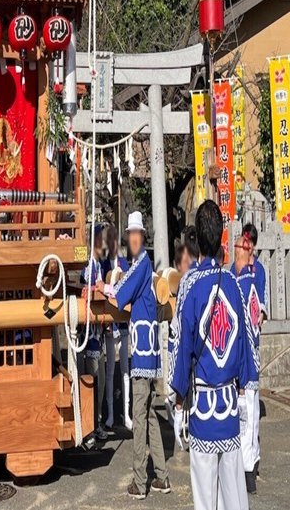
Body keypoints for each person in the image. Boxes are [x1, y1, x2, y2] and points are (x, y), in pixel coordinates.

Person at [170, 201, 257, 510]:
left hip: (203, 408)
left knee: (206, 499)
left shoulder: (189, 285)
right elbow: (246, 342)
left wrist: (178, 399)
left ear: (197, 243)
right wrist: (245, 390)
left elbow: (181, 346)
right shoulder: (233, 283)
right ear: (222, 238)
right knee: (235, 496)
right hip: (230, 406)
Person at [107, 211, 170, 500]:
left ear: (141, 237)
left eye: (136, 234)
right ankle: (162, 476)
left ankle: (139, 480)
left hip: (143, 350)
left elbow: (121, 292)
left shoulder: (141, 264)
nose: (133, 238)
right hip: (148, 347)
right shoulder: (140, 264)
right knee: (150, 415)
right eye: (130, 234)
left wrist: (105, 287)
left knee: (139, 413)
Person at [231, 223, 267, 494]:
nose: (247, 246)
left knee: (251, 409)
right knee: (238, 407)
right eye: (244, 242)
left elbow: (259, 304)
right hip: (234, 347)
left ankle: (250, 465)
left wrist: (260, 315)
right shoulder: (232, 272)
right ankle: (238, 461)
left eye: (250, 243)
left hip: (251, 346)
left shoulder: (258, 272)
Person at [165, 226, 199, 426]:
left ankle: (182, 416)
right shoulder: (182, 279)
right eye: (183, 262)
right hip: (181, 339)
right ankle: (179, 413)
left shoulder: (190, 278)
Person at [79, 223, 109, 447]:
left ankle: (96, 422)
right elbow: (85, 290)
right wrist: (99, 289)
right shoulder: (89, 265)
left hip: (98, 330)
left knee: (98, 380)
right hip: (90, 332)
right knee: (91, 379)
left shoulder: (98, 264)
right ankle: (90, 425)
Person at [102, 223, 131, 431]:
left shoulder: (124, 264)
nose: (111, 242)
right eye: (108, 239)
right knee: (110, 369)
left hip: (123, 323)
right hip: (110, 325)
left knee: (125, 370)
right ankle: (111, 413)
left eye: (114, 238)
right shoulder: (103, 264)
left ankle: (126, 413)